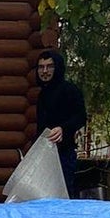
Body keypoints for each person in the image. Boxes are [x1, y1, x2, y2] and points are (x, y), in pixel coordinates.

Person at [34, 48, 87, 194]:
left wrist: (63, 128)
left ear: (57, 68)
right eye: (41, 67)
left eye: (49, 66)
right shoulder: (42, 95)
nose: (44, 71)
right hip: (44, 155)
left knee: (62, 194)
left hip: (64, 154)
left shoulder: (70, 90)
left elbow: (81, 116)